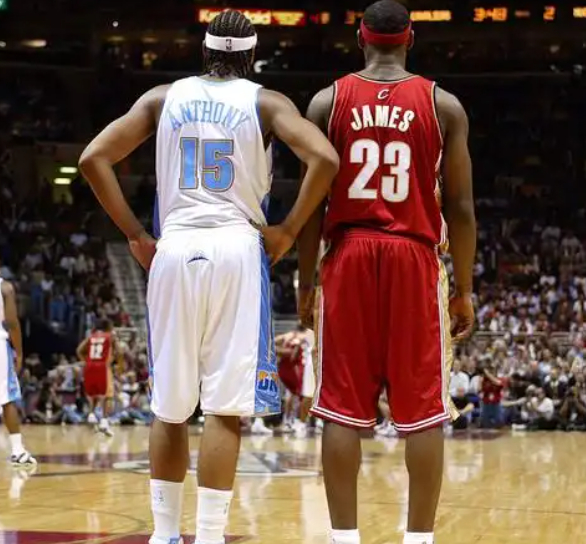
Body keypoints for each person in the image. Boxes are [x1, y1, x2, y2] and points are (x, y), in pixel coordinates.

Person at [78, 9, 338, 544]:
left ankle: (164, 535)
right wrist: (289, 230)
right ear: (252, 56)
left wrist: (135, 235)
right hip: (237, 247)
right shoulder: (267, 103)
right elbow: (325, 158)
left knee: (169, 408)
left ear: (204, 50)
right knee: (224, 408)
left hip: (175, 246)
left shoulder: (161, 99)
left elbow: (92, 158)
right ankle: (212, 536)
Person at [297, 2, 476, 543]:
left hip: (348, 254)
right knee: (423, 411)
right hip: (413, 255)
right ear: (410, 39)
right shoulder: (443, 105)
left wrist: (305, 284)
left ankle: (343, 539)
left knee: (341, 409)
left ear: (360, 38)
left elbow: (310, 207)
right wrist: (464, 290)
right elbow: (461, 208)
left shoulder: (326, 102)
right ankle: (418, 539)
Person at [0, 278, 36, 465]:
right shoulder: (4, 287)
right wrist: (19, 353)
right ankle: (17, 450)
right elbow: (12, 323)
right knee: (7, 398)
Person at [76, 318, 120, 436]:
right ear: (108, 327)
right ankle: (104, 422)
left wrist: (87, 361)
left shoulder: (91, 336)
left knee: (94, 393)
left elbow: (79, 350)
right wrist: (114, 356)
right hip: (103, 366)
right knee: (108, 395)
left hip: (89, 366)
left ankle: (91, 415)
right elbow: (119, 352)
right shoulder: (110, 336)